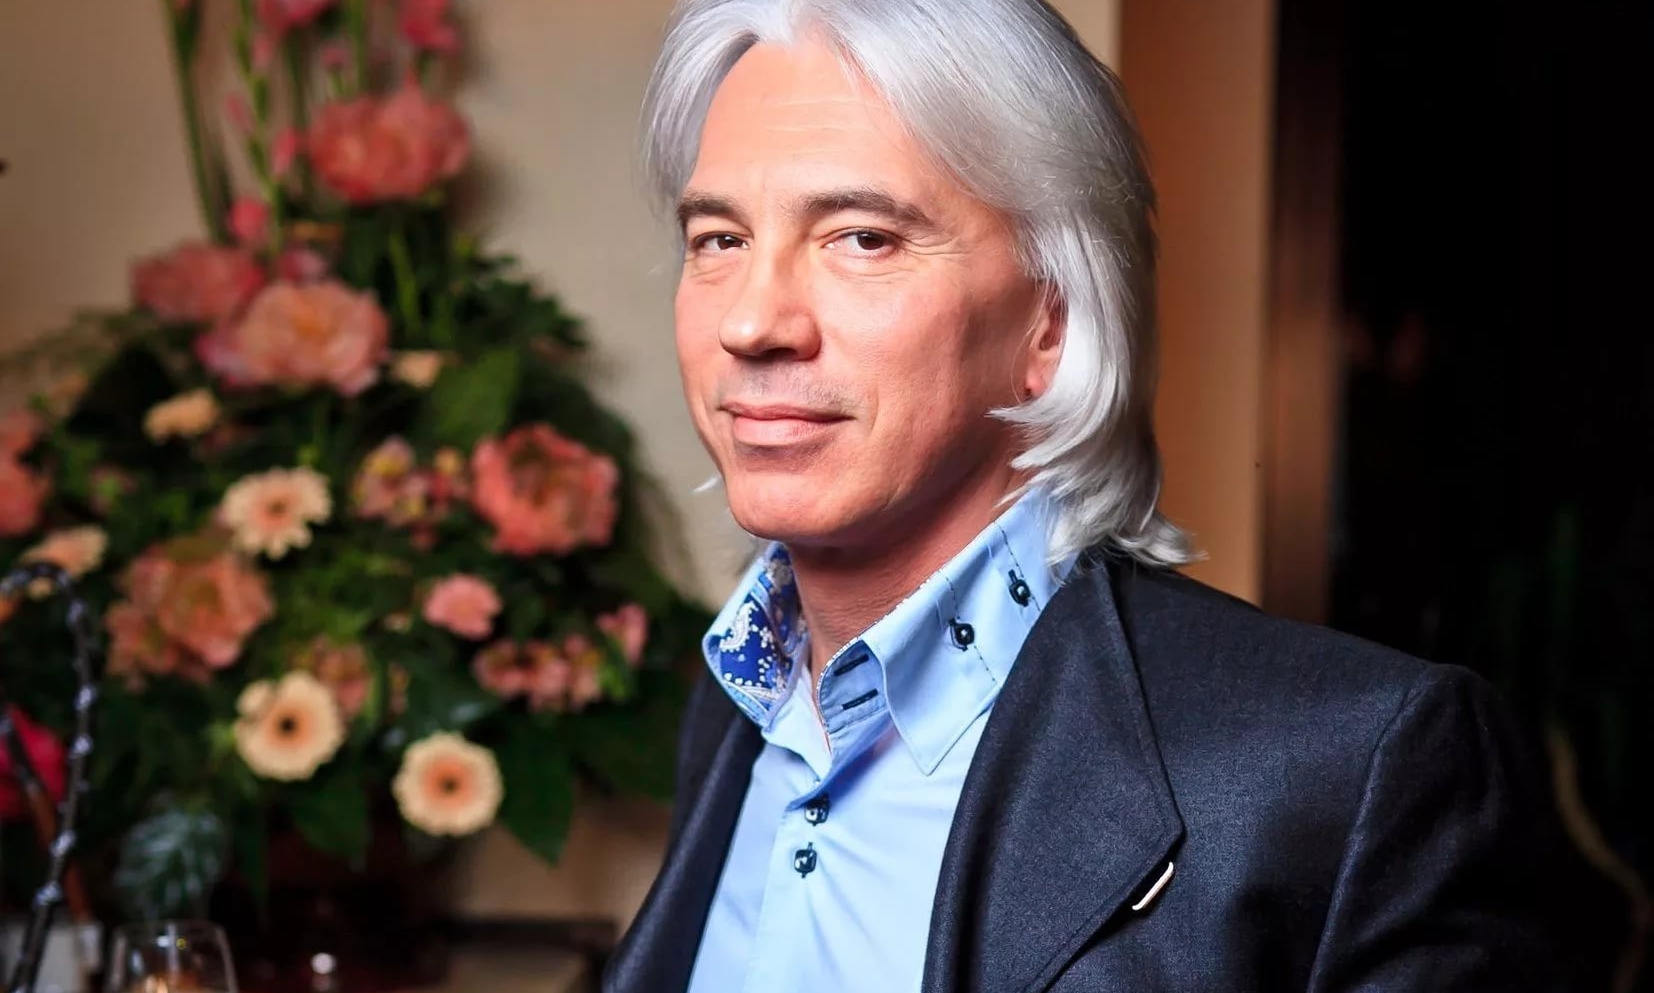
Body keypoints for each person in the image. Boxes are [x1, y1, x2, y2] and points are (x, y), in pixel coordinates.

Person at [606, 0, 1567, 990]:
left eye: (862, 238)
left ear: (1052, 322)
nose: (752, 322)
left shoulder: (1354, 767)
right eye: (718, 239)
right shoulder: (735, 707)